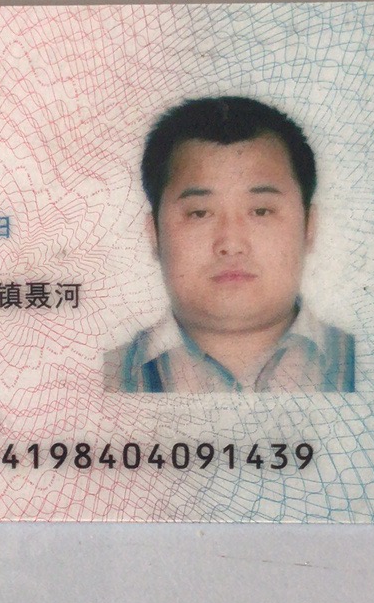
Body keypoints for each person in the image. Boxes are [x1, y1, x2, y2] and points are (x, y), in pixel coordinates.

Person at [104, 96, 355, 392]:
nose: (231, 244)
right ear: (154, 234)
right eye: (200, 213)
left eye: (261, 211)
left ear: (309, 227)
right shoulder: (101, 379)